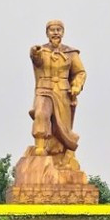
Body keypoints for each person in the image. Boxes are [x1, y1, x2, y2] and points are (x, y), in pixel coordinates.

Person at [28, 20, 86, 161]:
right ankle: (40, 145)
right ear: (47, 33)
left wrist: (76, 86)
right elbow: (36, 59)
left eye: (58, 30)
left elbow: (80, 72)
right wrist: (34, 52)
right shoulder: (42, 51)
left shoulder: (71, 53)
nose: (55, 33)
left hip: (63, 91)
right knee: (41, 113)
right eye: (52, 30)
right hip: (44, 89)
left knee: (63, 126)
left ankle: (65, 152)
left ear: (63, 32)